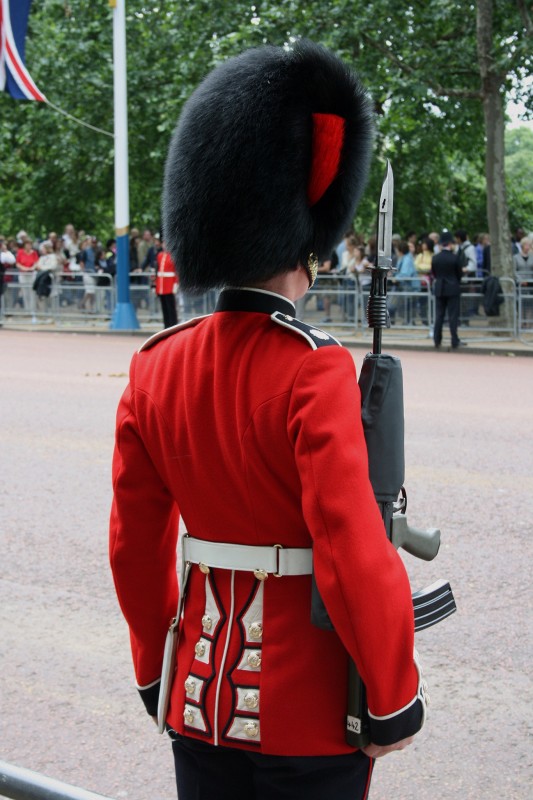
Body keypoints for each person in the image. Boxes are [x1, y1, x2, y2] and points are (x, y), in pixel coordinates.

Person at [109, 41, 427, 800]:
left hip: (195, 701)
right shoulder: (312, 366)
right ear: (307, 241)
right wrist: (391, 696)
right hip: (308, 713)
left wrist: (158, 670)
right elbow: (350, 549)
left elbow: (135, 549)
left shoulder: (157, 364)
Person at [431, 230, 465, 349]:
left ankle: (437, 339)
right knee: (453, 316)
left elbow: (434, 273)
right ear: (450, 244)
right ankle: (454, 340)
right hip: (453, 288)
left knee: (439, 316)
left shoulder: (435, 258)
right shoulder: (455, 258)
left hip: (439, 288)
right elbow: (459, 274)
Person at [155, 243, 179, 328]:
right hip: (161, 286)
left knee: (171, 308)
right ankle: (166, 326)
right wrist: (155, 286)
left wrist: (175, 285)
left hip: (169, 286)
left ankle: (173, 325)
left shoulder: (173, 256)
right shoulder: (159, 255)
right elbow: (157, 271)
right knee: (164, 308)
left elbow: (176, 272)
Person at [15, 237, 39, 320]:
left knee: (32, 292)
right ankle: (27, 310)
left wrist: (31, 268)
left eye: (30, 244)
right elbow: (17, 263)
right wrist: (24, 268)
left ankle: (33, 310)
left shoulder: (34, 253)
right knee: (25, 293)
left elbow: (36, 262)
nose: (29, 246)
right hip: (23, 274)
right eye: (27, 244)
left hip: (31, 274)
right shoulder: (20, 252)